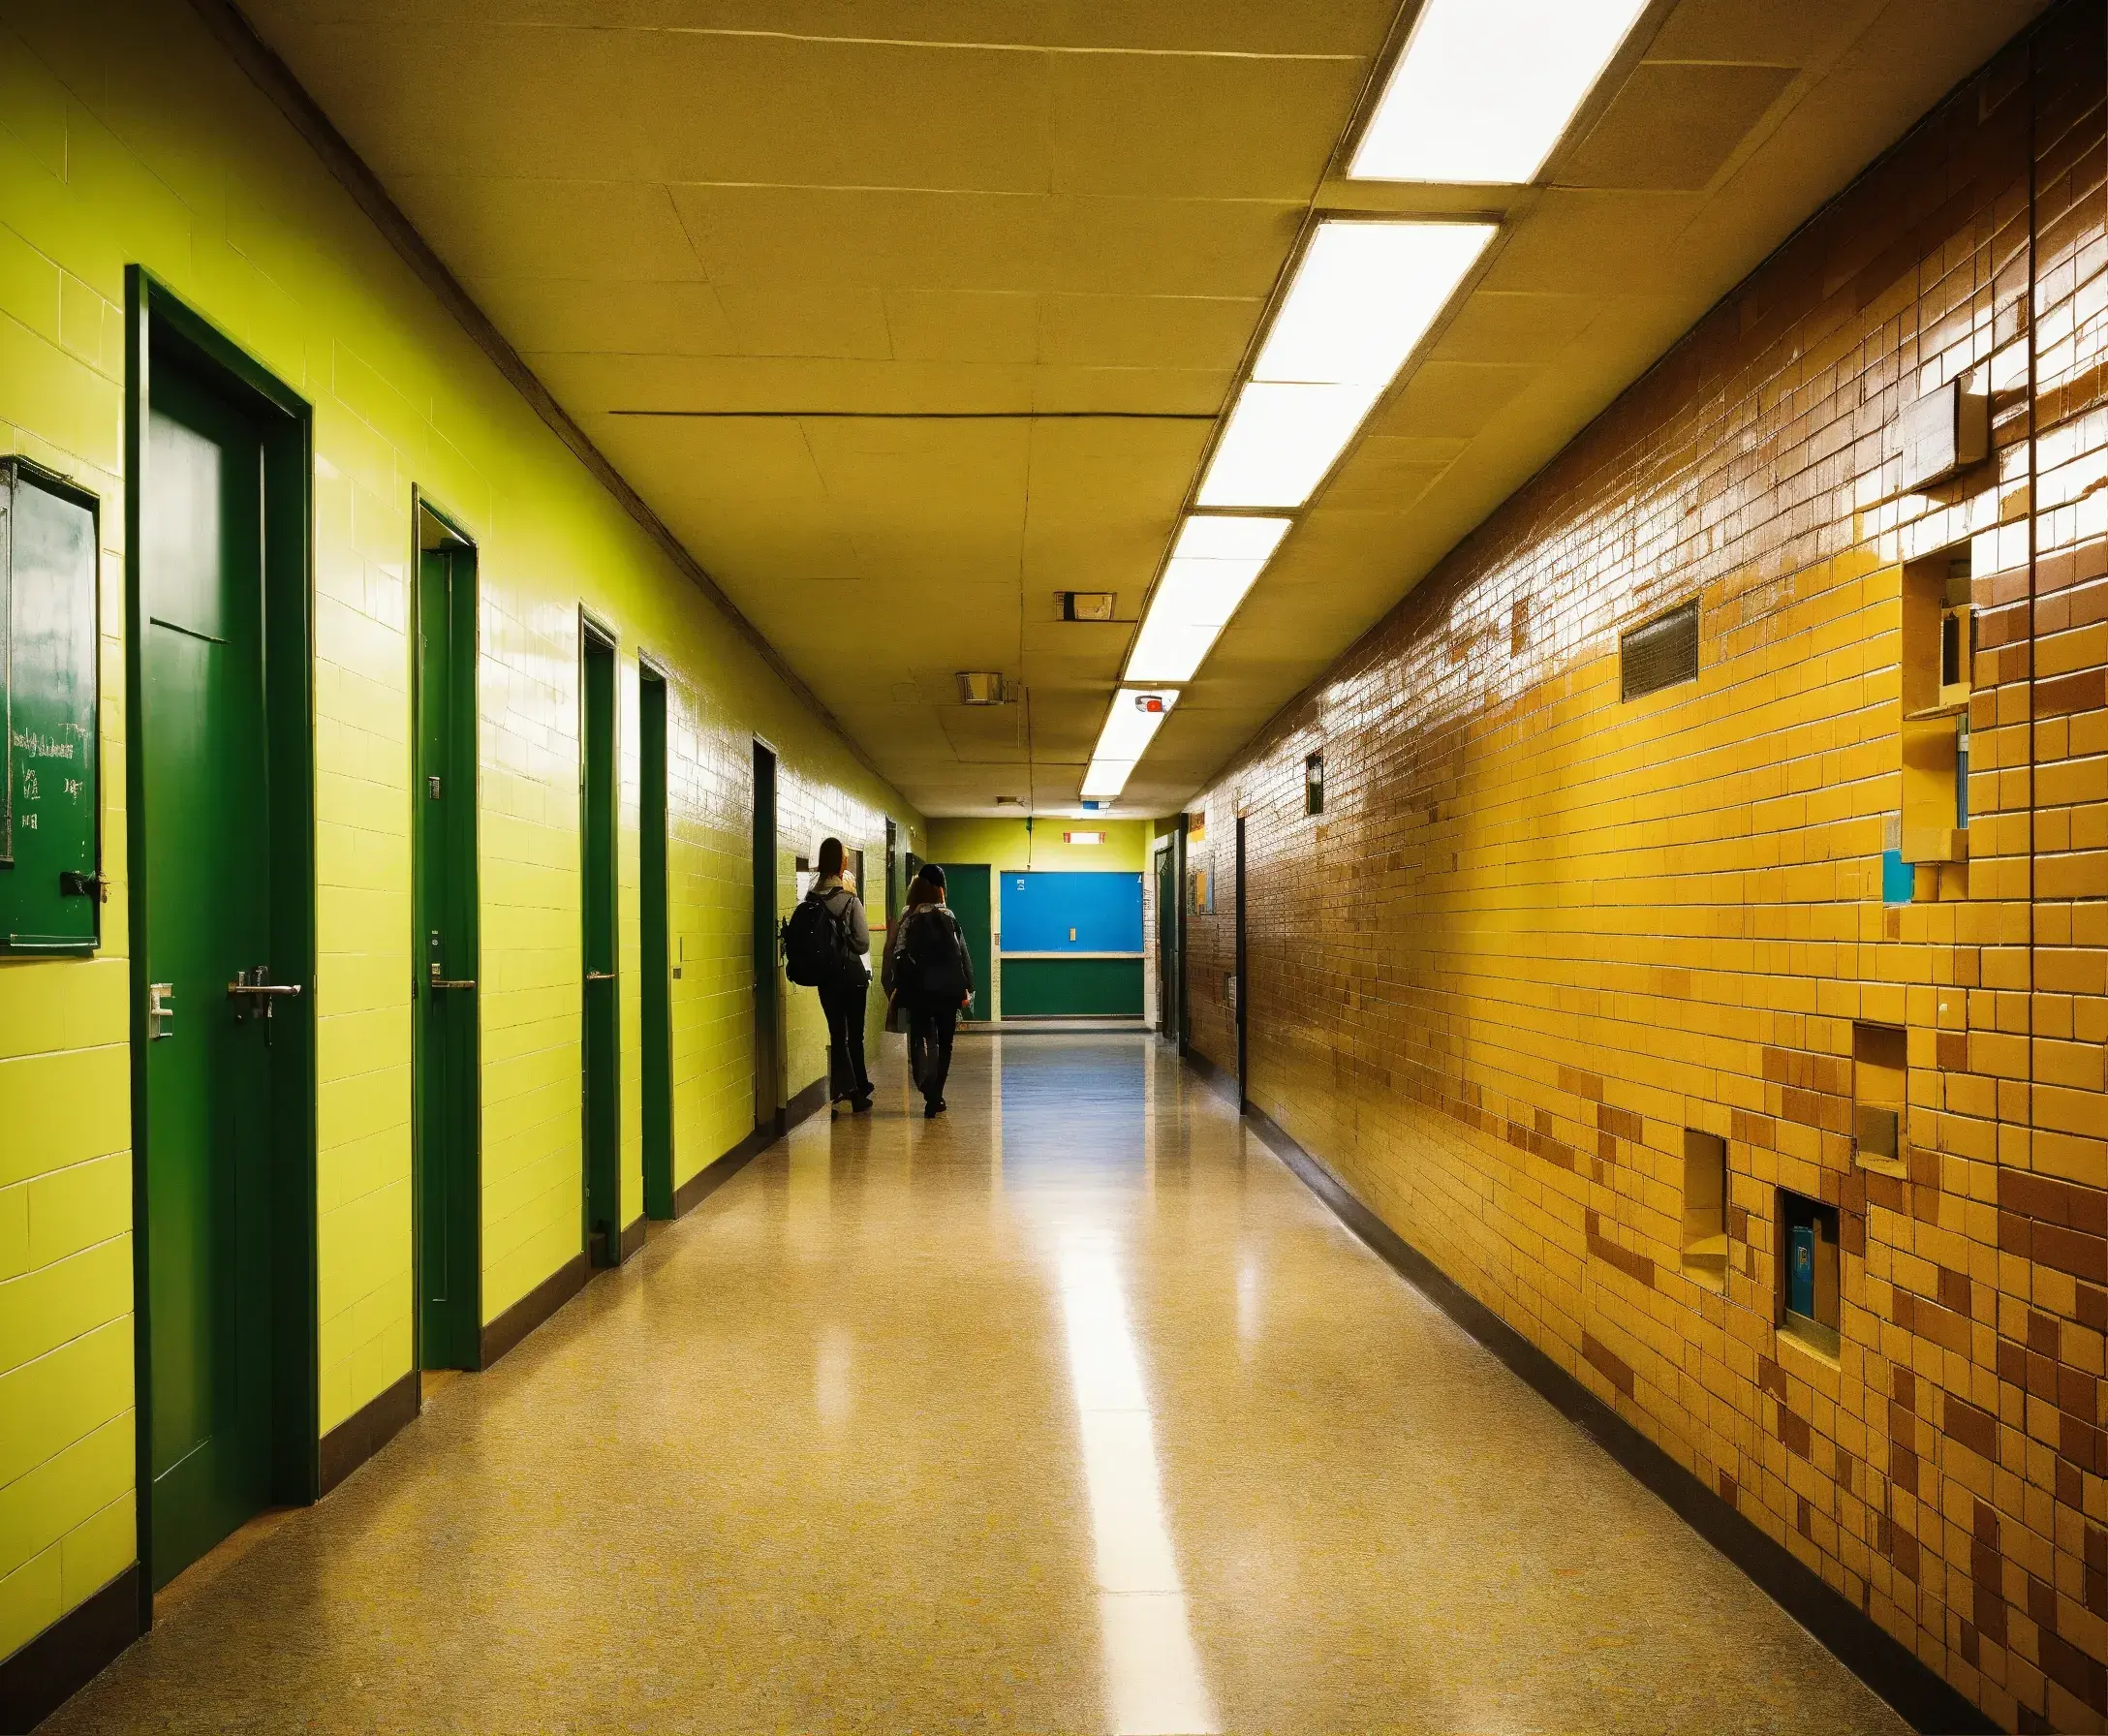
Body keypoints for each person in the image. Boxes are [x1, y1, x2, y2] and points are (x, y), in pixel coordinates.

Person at [890, 864, 973, 1118]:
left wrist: (898, 986)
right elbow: (962, 953)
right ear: (939, 888)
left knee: (922, 1037)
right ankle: (935, 1095)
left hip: (919, 990)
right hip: (947, 990)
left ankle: (924, 1084)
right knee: (945, 1043)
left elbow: (898, 952)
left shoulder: (908, 915)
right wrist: (968, 986)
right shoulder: (948, 915)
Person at [809, 838, 873, 1113]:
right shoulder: (850, 901)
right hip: (852, 977)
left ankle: (838, 1091)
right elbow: (863, 943)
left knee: (837, 1035)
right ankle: (858, 1091)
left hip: (826, 978)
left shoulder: (810, 899)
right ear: (841, 863)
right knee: (855, 1036)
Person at [882, 869, 944, 1091]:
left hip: (913, 985)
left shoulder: (906, 914)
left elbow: (896, 949)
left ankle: (920, 1078)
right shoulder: (943, 914)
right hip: (936, 984)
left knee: (917, 1033)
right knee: (933, 1035)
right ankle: (934, 1081)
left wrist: (894, 984)